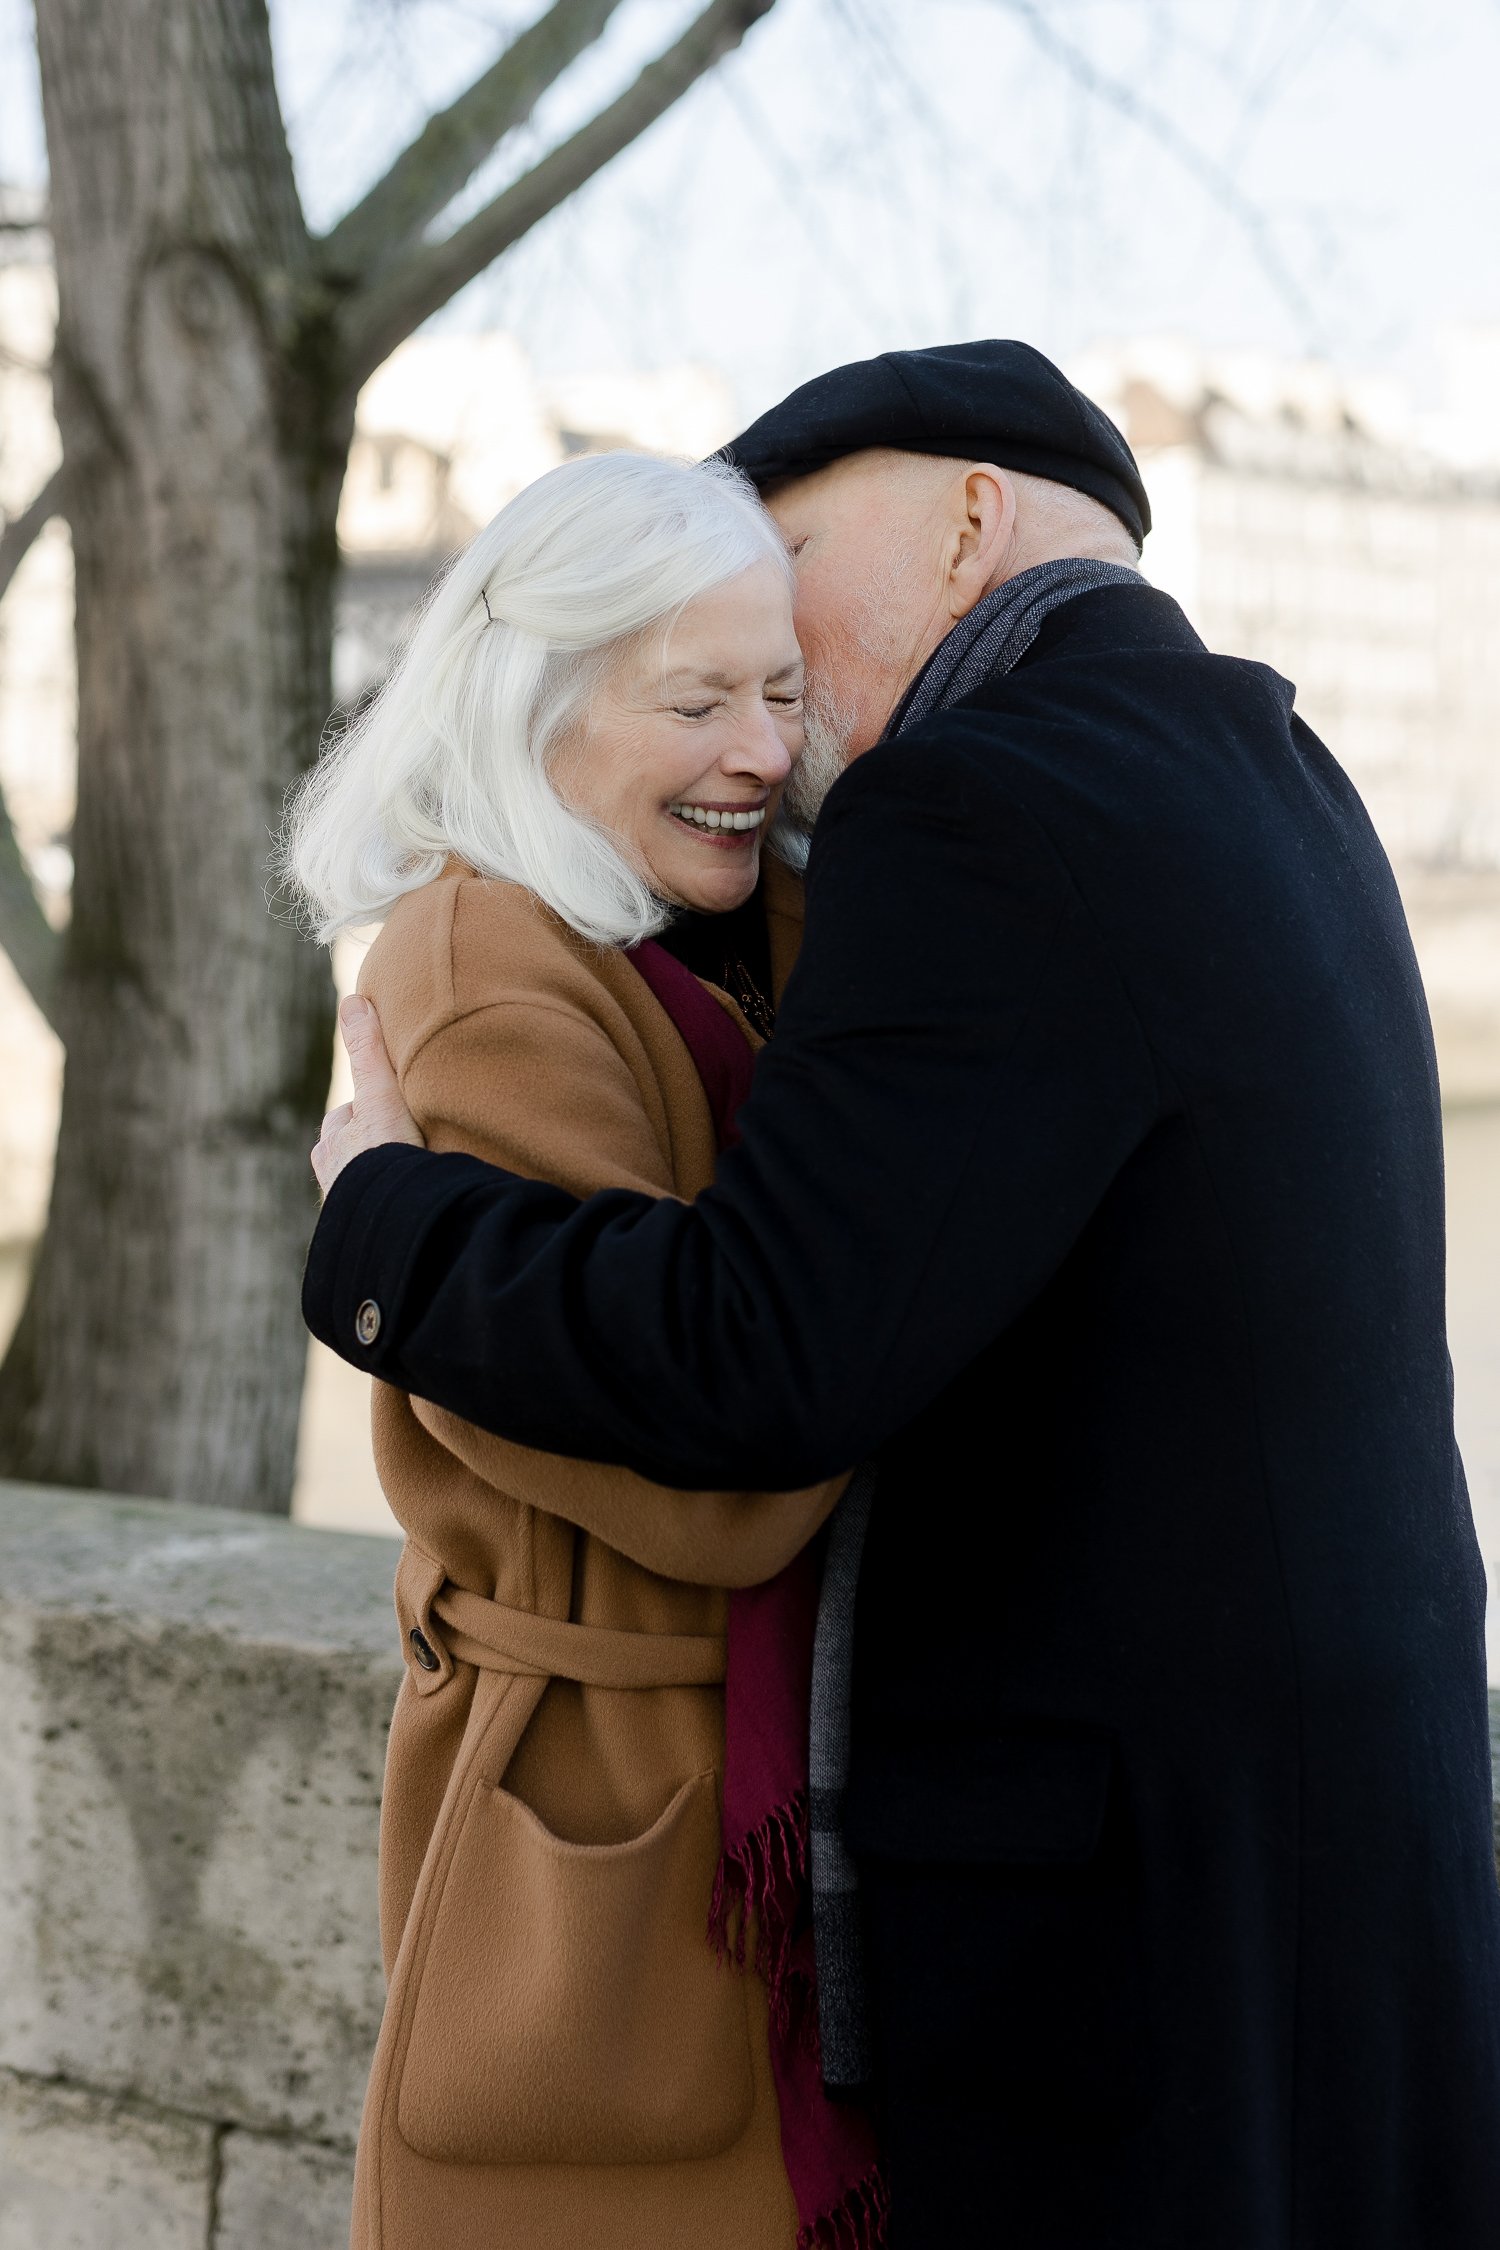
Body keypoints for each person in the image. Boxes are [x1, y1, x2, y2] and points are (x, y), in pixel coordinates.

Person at [303, 343, 1500, 2248]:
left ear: (963, 517)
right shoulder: (1277, 770)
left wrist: (375, 1229)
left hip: (1126, 1925)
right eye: (703, 674)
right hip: (1349, 1868)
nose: (776, 691)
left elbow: (759, 1360)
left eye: (785, 565)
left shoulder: (975, 801)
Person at [282, 450, 882, 2250]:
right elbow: (708, 1480)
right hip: (613, 1817)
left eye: (781, 691)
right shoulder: (485, 963)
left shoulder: (697, 934)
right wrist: (897, 1315)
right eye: (693, 697)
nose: (764, 749)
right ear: (533, 708)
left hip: (720, 1799)